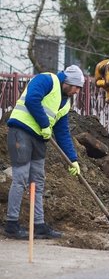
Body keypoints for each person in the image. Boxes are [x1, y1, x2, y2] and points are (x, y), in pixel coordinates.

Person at [5, 64, 83, 240]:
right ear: (68, 82)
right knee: (21, 177)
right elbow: (32, 99)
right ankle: (11, 224)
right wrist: (44, 124)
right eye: (76, 87)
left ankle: (39, 225)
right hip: (21, 133)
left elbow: (62, 132)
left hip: (40, 139)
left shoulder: (66, 103)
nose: (77, 91)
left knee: (38, 181)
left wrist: (73, 159)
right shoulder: (47, 80)